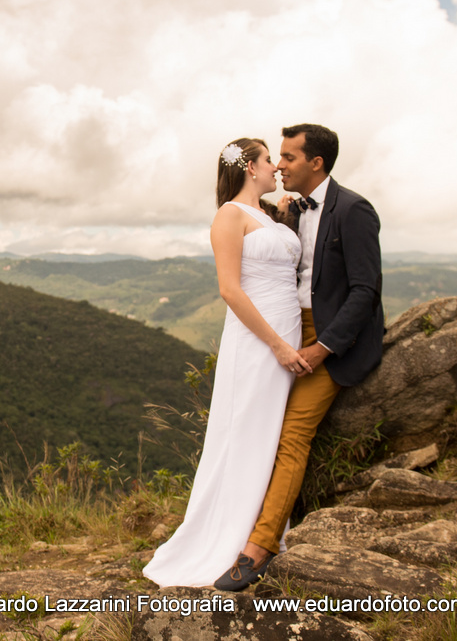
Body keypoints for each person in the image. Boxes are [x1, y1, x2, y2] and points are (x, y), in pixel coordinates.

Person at [214, 123, 384, 591]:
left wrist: (322, 347)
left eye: (288, 157)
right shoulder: (278, 211)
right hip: (286, 332)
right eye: (277, 157)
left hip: (329, 342)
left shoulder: (353, 209)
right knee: (257, 427)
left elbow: (366, 290)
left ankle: (259, 549)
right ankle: (229, 522)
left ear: (316, 163)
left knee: (291, 434)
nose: (281, 165)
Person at [143, 137, 311, 588]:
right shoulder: (228, 215)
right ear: (249, 168)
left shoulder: (269, 214)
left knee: (273, 434)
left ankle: (266, 531)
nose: (276, 166)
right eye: (268, 160)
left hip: (287, 331)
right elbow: (230, 289)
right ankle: (228, 539)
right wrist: (276, 344)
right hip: (260, 341)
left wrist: (289, 212)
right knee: (246, 433)